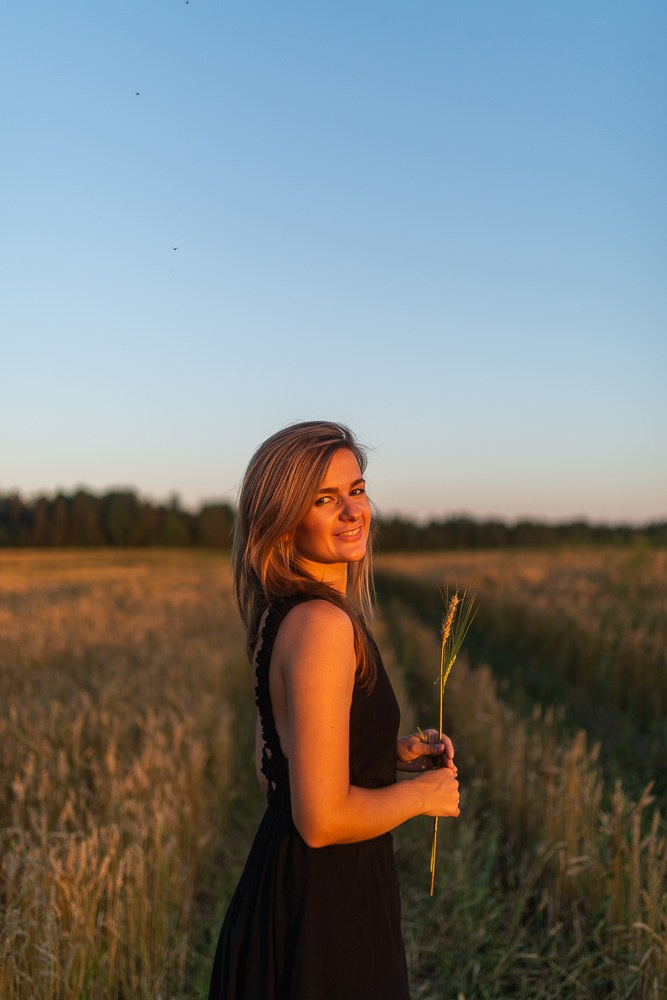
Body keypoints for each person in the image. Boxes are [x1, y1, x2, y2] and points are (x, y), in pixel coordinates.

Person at [209, 421, 460, 1000]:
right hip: (326, 911)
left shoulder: (282, 614)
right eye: (324, 499)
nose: (353, 511)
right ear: (283, 519)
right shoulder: (322, 625)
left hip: (288, 892)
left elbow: (275, 763)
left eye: (357, 489)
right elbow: (320, 821)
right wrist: (424, 796)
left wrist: (383, 754)